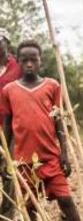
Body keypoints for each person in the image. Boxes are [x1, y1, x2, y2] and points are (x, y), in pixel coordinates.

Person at [1, 40, 80, 221]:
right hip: (23, 163)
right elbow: (7, 127)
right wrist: (6, 158)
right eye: (24, 60)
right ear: (18, 62)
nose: (29, 64)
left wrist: (64, 154)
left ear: (40, 61)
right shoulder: (9, 90)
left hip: (51, 159)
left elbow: (59, 122)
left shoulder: (52, 86)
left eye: (34, 60)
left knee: (66, 201)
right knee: (30, 208)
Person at [0, 28, 21, 218]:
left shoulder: (18, 67)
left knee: (8, 172)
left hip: (12, 129)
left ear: (7, 42)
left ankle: (6, 215)